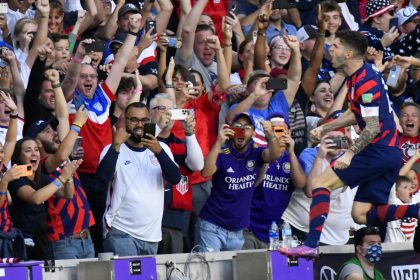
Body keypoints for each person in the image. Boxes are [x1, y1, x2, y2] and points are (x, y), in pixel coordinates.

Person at [280, 30, 418, 258]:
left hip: (378, 150)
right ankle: (416, 211)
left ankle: (311, 245)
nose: (330, 49)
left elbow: (372, 126)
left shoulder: (365, 81)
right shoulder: (359, 76)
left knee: (321, 185)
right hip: (389, 153)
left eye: (335, 46)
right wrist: (326, 128)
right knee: (361, 214)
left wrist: (350, 154)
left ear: (349, 53)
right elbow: (357, 113)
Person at [97, 102, 181, 256]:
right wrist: (116, 145)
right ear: (125, 121)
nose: (139, 125)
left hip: (152, 236)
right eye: (134, 120)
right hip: (121, 232)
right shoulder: (113, 149)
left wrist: (159, 152)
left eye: (144, 120)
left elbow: (175, 179)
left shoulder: (162, 148)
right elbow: (101, 180)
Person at [198, 112, 281, 252]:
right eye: (237, 127)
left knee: (232, 274)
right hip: (212, 225)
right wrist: (218, 142)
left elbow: (274, 155)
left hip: (238, 232)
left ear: (253, 133)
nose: (242, 130)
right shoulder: (222, 152)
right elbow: (206, 172)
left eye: (246, 127)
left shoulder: (256, 154)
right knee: (208, 271)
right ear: (231, 131)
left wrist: (271, 136)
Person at [243, 113, 306, 249]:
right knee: (247, 269)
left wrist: (291, 153)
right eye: (273, 130)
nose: (278, 134)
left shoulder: (295, 160)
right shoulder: (258, 154)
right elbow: (252, 184)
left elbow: (300, 184)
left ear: (289, 132)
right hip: (249, 228)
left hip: (275, 232)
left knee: (273, 270)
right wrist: (271, 153)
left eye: (281, 130)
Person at [385, 176, 418, 243]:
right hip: (392, 250)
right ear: (396, 194)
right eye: (405, 187)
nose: (410, 189)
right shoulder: (393, 202)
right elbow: (392, 182)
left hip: (410, 250)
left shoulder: (415, 201)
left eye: (411, 187)